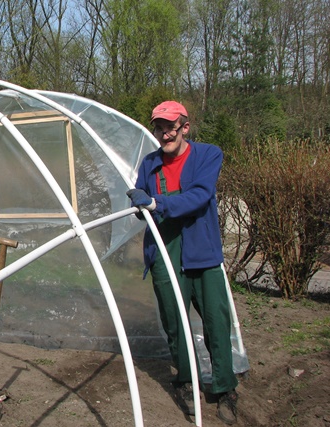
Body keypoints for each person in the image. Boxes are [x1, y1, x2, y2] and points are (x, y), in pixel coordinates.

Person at [127, 101, 239, 425]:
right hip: (165, 251)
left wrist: (156, 201)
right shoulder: (149, 163)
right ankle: (186, 382)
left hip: (202, 250)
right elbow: (144, 200)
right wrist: (139, 202)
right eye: (159, 128)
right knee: (176, 324)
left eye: (170, 126)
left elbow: (200, 195)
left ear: (185, 127)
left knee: (217, 321)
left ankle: (224, 387)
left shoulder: (208, 155)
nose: (165, 133)